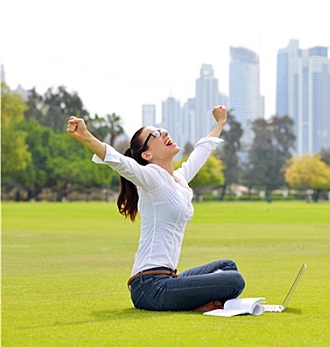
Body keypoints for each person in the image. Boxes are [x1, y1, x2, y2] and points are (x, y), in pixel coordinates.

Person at [66, 105, 245, 312]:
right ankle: (199, 306)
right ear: (147, 155)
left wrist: (220, 123)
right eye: (155, 134)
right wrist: (85, 135)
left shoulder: (178, 180)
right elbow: (120, 162)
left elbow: (201, 152)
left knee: (228, 266)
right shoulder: (151, 178)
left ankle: (201, 304)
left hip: (169, 278)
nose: (164, 133)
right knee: (234, 281)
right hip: (149, 288)